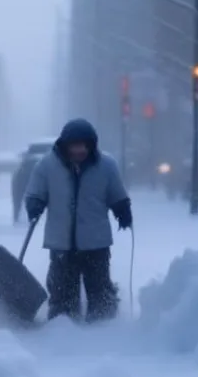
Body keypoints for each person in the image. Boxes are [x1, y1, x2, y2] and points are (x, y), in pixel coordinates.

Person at [24, 118, 131, 323]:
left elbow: (117, 192)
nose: (79, 150)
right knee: (62, 291)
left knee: (100, 290)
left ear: (92, 145)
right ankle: (62, 327)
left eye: (84, 145)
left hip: (96, 243)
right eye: (74, 145)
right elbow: (34, 192)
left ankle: (103, 326)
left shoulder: (106, 166)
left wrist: (122, 208)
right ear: (65, 145)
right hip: (61, 244)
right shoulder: (47, 166)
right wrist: (35, 204)